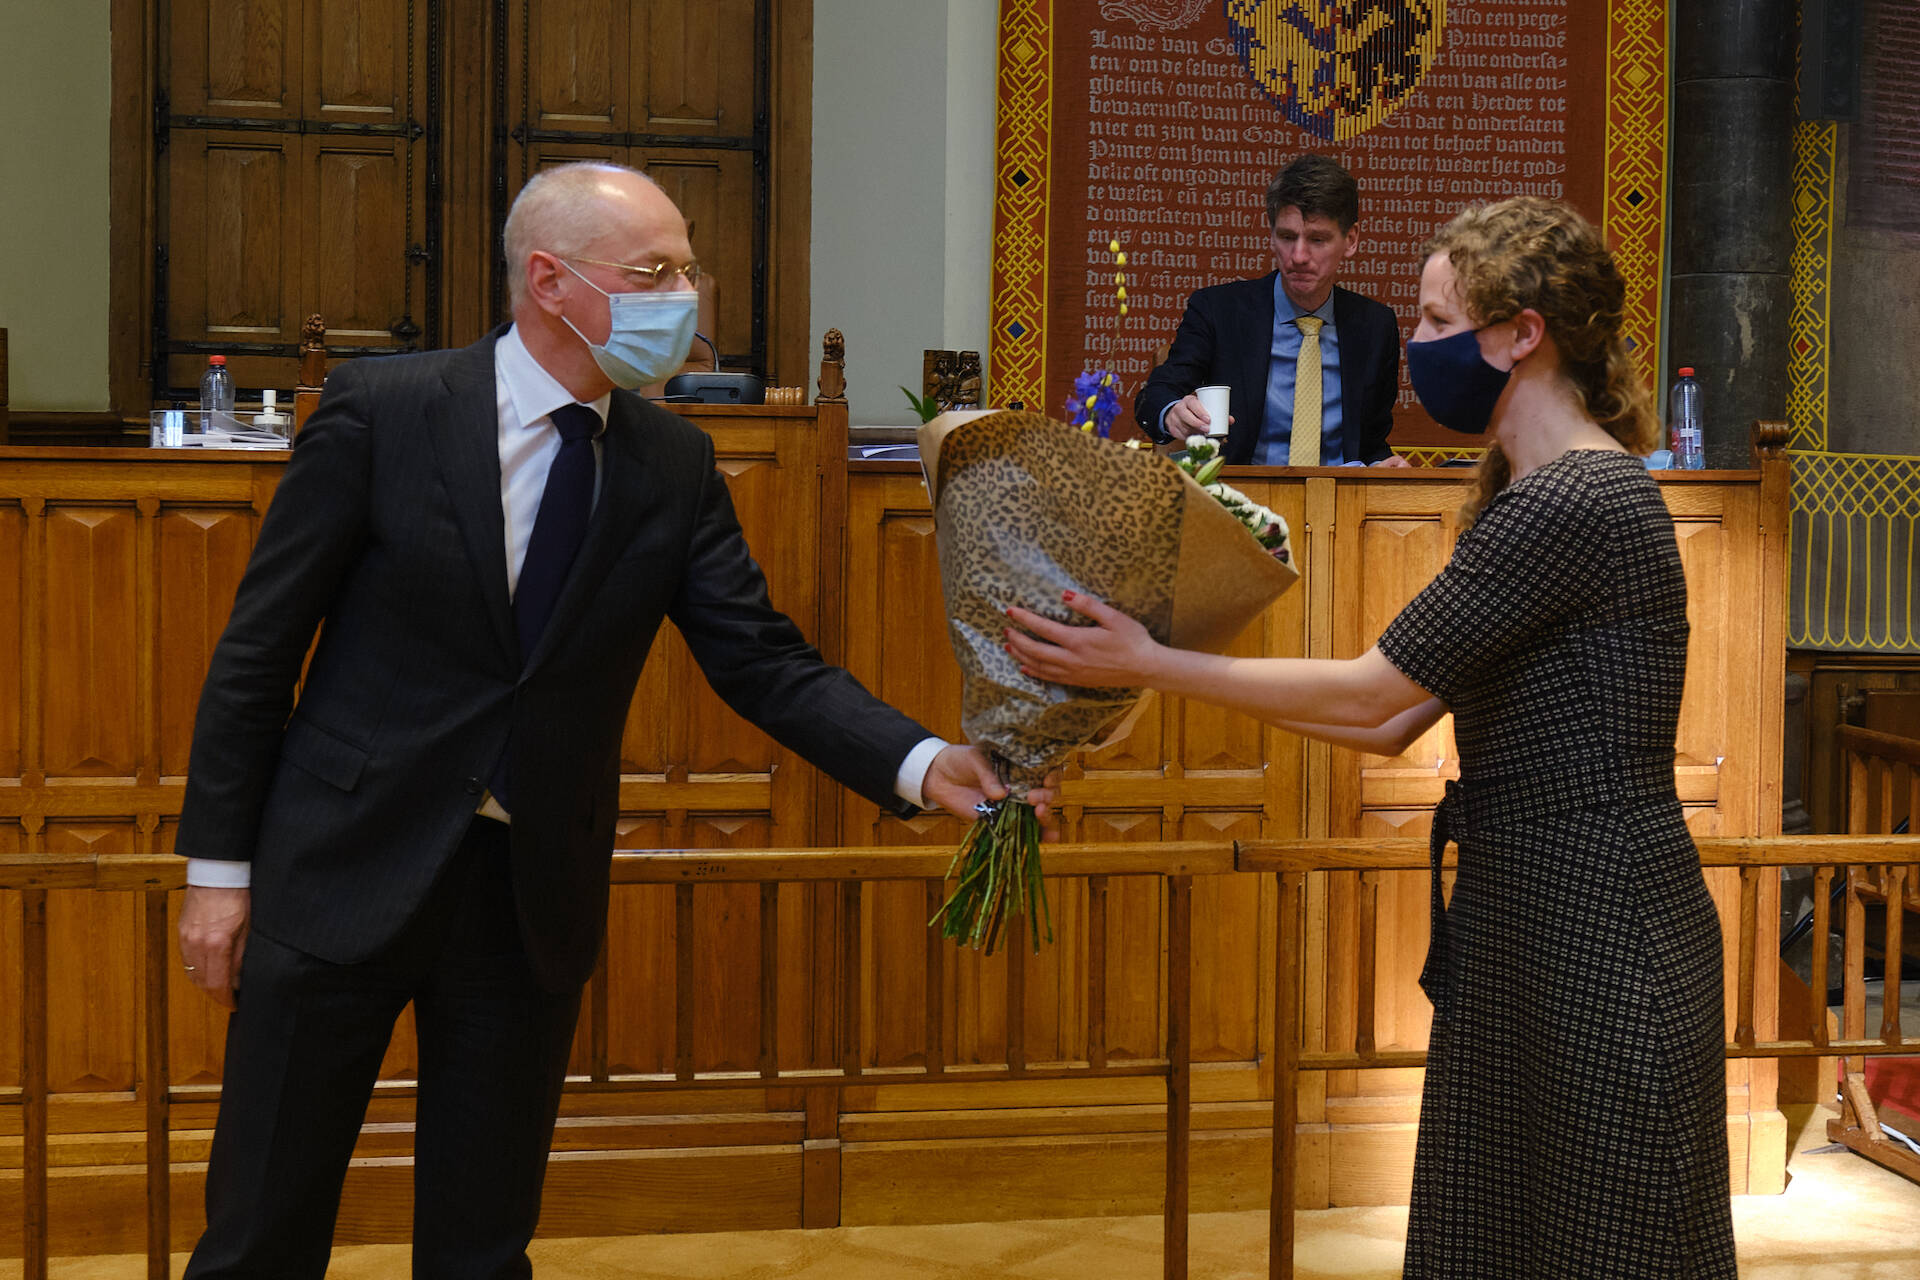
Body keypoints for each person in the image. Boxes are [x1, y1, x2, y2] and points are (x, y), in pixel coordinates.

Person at [173, 160, 1054, 1279]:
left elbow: (764, 662)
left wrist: (928, 763)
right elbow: (260, 646)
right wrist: (218, 869)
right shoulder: (385, 409)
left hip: (525, 889)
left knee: (483, 1246)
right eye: (655, 270)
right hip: (339, 864)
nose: (685, 295)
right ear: (550, 279)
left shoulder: (672, 464)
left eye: (689, 268)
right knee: (260, 1233)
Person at [1012, 197, 1738, 1276]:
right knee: (1490, 1235)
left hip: (1599, 912)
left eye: (1442, 320)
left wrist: (1151, 661)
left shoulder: (1579, 496)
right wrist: (1156, 666)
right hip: (1525, 907)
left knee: (1608, 1242)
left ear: (1521, 332)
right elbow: (1397, 720)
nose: (1422, 346)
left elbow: (1369, 693)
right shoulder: (1522, 492)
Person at [1133, 152, 1409, 467]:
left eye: (1317, 240)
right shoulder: (1219, 311)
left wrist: (1381, 465)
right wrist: (1171, 412)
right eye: (1287, 237)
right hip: (1244, 500)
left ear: (1351, 240)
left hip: (1340, 501)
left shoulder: (1375, 326)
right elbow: (1157, 394)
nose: (1299, 255)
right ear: (1271, 236)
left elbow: (1371, 441)